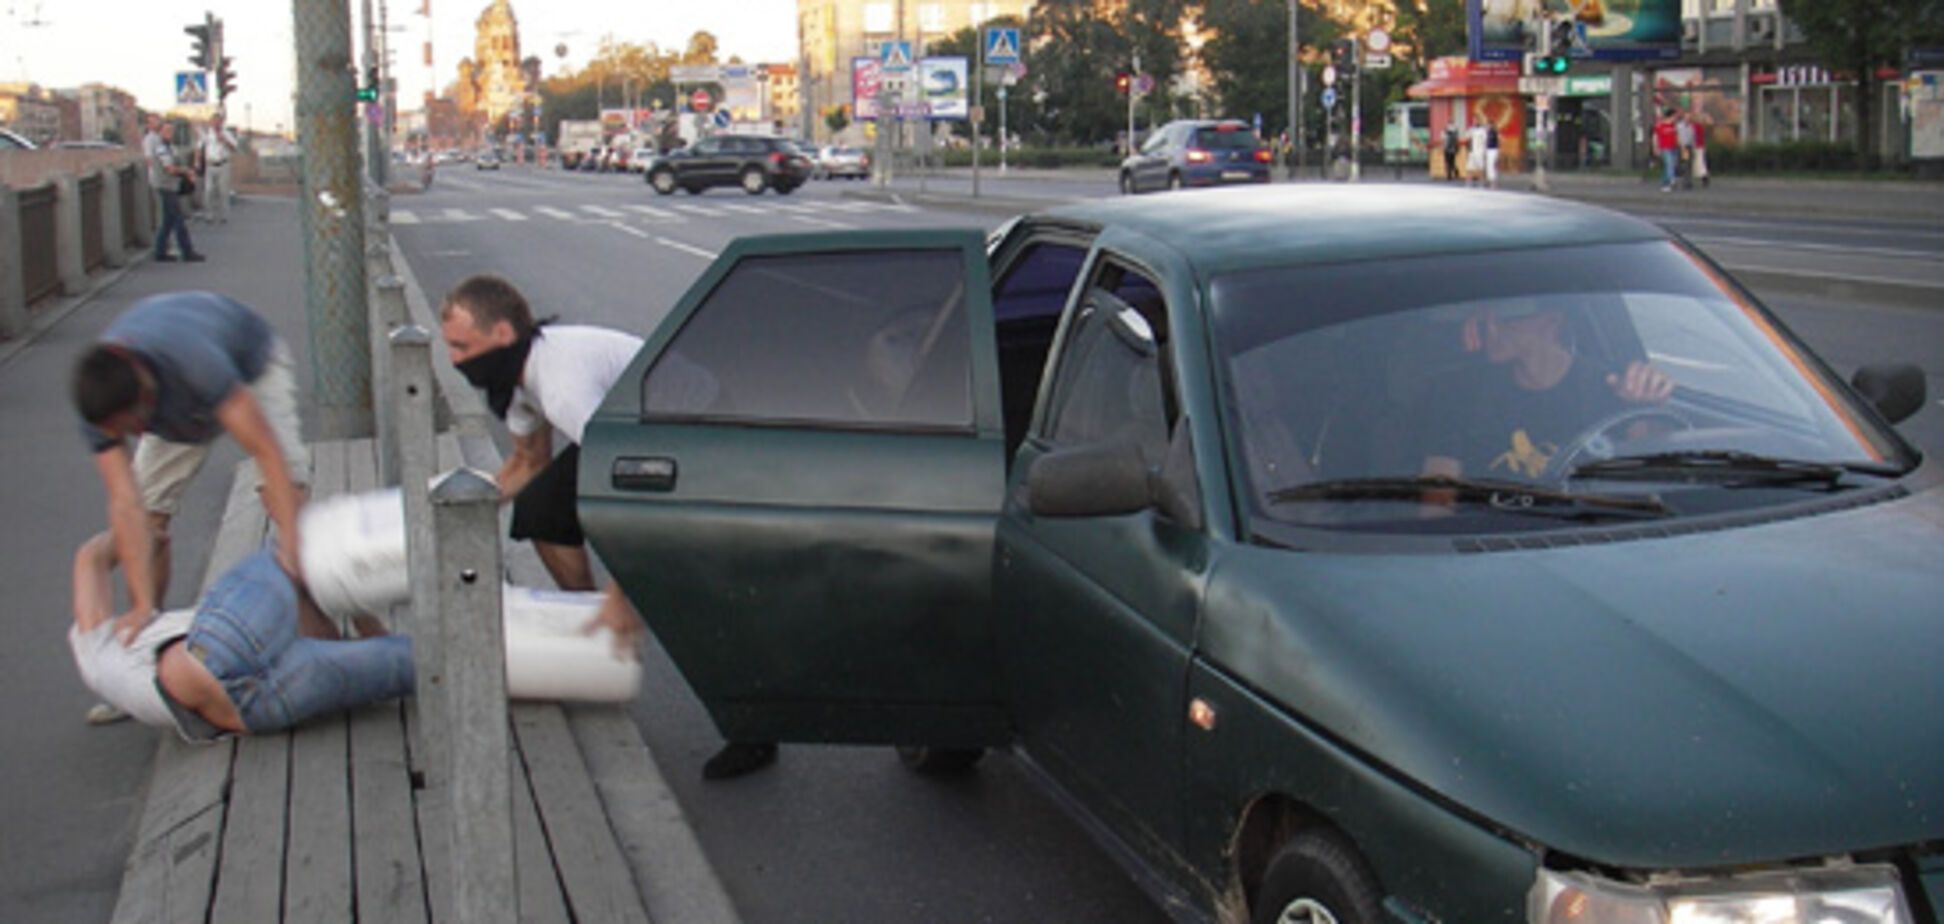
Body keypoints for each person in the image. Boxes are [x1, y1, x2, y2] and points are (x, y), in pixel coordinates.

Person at [438, 277, 769, 779]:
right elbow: (526, 463)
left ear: (502, 334)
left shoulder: (562, 384)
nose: (455, 359)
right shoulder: (519, 378)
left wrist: (625, 589)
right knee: (541, 508)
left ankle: (754, 732)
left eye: (461, 346)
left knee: (686, 585)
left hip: (698, 430)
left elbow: (630, 481)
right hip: (633, 432)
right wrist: (457, 513)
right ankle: (592, 632)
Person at [71, 292, 314, 722]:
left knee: (286, 503)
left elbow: (266, 452)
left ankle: (338, 634)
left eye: (135, 426)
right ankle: (149, 647)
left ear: (145, 395)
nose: (136, 435)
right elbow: (126, 504)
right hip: (176, 398)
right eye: (124, 432)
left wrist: (291, 550)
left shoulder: (195, 362)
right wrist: (141, 603)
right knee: (149, 517)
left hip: (249, 367)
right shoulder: (100, 401)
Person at [69, 533, 412, 741]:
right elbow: (90, 557)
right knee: (294, 547)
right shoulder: (95, 647)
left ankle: (373, 637)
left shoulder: (118, 670)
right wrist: (140, 523)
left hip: (257, 708)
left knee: (422, 660)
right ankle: (378, 618)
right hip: (214, 656)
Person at [1422, 302, 1674, 487]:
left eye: (1506, 315)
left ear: (1552, 320)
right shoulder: (1462, 393)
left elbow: (1648, 485)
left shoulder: (1612, 389)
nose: (1490, 326)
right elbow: (1439, 493)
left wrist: (1650, 407)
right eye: (1485, 315)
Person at [141, 113, 204, 263]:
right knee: (177, 219)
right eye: (167, 131)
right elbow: (169, 168)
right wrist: (186, 171)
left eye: (171, 131)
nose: (170, 134)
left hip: (167, 184)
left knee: (169, 220)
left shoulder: (165, 145)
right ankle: (187, 252)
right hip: (165, 184)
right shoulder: (159, 146)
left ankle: (160, 251)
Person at [199, 111, 239, 224]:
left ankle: (224, 215)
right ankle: (209, 215)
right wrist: (197, 162)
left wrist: (224, 141)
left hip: (223, 164)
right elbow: (200, 146)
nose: (216, 124)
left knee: (223, 191)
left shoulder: (227, 133)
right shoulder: (207, 133)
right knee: (208, 190)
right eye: (214, 122)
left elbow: (234, 148)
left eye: (218, 122)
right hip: (210, 164)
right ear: (211, 123)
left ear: (222, 123)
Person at [1654, 108, 1680, 193]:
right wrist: (1656, 147)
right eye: (1675, 116)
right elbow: (1655, 137)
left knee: (1669, 166)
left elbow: (1676, 136)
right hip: (1665, 148)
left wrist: (1679, 145)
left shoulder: (1673, 125)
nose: (1676, 118)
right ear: (1670, 116)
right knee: (1670, 164)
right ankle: (1672, 180)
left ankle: (1665, 183)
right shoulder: (1660, 125)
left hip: (1674, 147)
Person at [1466, 120, 1489, 187]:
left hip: (1479, 151)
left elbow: (1485, 140)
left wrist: (1484, 151)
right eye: (1474, 121)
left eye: (1476, 121)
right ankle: (1468, 182)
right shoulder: (1471, 130)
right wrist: (1469, 130)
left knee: (1480, 168)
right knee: (1469, 167)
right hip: (1472, 152)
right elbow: (1467, 137)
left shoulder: (1482, 131)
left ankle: (1481, 183)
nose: (1475, 122)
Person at [1690, 116, 1710, 188]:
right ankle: (1703, 177)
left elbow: (1693, 137)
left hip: (1697, 146)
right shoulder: (1700, 127)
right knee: (1700, 162)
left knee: (1699, 162)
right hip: (1701, 146)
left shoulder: (1694, 127)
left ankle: (1704, 177)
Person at [1483, 120, 1501, 189]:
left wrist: (1498, 151)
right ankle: (1490, 181)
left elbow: (1498, 141)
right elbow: (1485, 142)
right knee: (1489, 166)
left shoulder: (1495, 132)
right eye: (1487, 125)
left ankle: (1494, 183)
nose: (1488, 127)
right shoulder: (1486, 133)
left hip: (1494, 150)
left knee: (1492, 166)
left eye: (1489, 125)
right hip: (1488, 150)